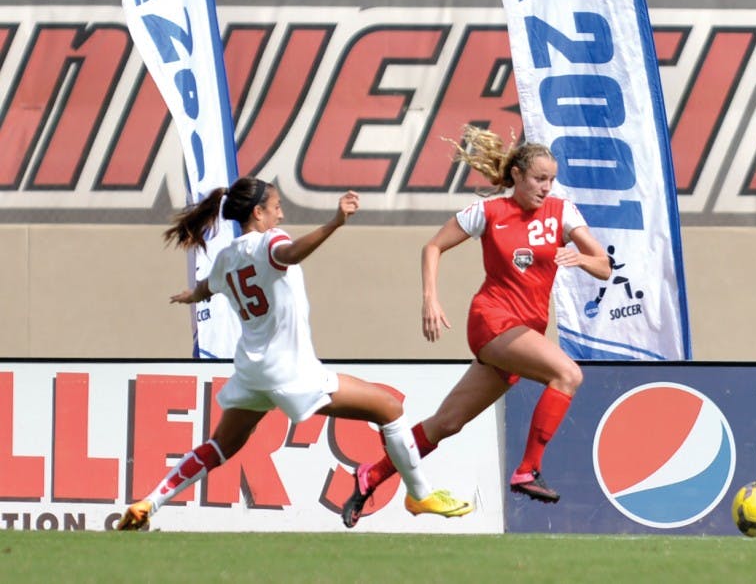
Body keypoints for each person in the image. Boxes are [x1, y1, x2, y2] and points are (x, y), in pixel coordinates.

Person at [116, 177, 472, 530]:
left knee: (220, 445)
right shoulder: (270, 242)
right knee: (390, 410)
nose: (281, 215)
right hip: (291, 373)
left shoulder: (226, 257)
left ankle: (150, 501)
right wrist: (335, 223)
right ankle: (419, 493)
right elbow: (289, 254)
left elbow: (207, 288)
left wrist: (190, 296)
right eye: (276, 207)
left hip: (252, 374)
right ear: (258, 212)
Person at [341, 126, 611, 528]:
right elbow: (433, 246)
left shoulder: (562, 212)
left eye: (551, 180)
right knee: (567, 374)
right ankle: (527, 470)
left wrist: (580, 258)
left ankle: (372, 474)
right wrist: (430, 297)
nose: (546, 187)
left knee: (447, 422)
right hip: (492, 321)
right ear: (517, 176)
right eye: (539, 179)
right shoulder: (488, 213)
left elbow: (603, 265)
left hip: (525, 334)